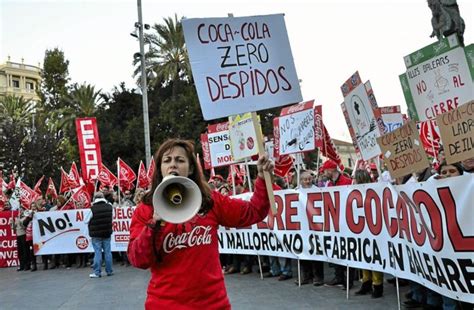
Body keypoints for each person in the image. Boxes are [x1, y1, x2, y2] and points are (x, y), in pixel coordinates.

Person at [127, 139, 273, 309]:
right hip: (164, 304)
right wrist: (154, 224)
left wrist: (262, 178)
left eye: (180, 160)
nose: (173, 165)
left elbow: (253, 212)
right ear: (160, 168)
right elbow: (138, 259)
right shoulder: (146, 209)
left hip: (212, 304)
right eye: (167, 160)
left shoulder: (210, 201)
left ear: (190, 169)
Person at [353, 169, 384, 298]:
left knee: (374, 256)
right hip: (360, 228)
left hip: (373, 229)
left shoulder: (374, 190)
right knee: (363, 256)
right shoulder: (352, 192)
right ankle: (366, 282)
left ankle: (377, 286)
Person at [86, 192, 113, 278]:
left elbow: (85, 220)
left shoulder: (92, 208)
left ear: (95, 198)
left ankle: (97, 272)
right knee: (108, 252)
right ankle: (109, 271)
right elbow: (113, 217)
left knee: (98, 252)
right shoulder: (110, 206)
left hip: (96, 234)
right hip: (107, 232)